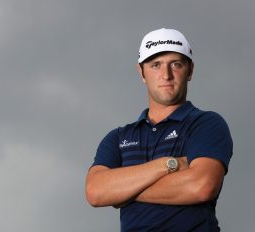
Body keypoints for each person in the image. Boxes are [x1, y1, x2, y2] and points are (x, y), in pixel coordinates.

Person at [86, 28, 233, 232]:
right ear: (142, 72)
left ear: (190, 70)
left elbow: (201, 186)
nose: (166, 75)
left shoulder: (206, 123)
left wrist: (122, 191)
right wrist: (167, 165)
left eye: (176, 64)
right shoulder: (119, 138)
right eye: (155, 65)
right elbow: (96, 191)